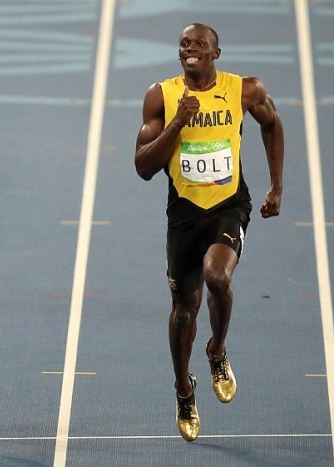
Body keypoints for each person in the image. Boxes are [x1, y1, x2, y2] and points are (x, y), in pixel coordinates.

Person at [134, 23, 284, 441]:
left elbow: (272, 124)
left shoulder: (244, 90)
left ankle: (217, 350)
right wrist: (177, 123)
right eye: (185, 43)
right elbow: (144, 166)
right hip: (184, 214)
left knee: (218, 276)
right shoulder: (160, 96)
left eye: (200, 44)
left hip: (228, 207)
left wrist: (276, 186)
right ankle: (184, 389)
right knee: (184, 311)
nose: (190, 49)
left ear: (216, 53)